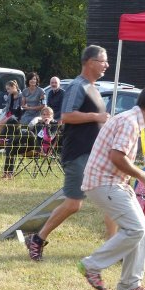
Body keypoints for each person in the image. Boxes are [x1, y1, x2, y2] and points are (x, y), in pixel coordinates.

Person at [25, 45, 115, 261]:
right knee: (74, 203)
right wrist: (97, 116)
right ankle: (38, 238)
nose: (107, 65)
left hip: (95, 154)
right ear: (90, 62)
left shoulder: (93, 87)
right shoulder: (78, 86)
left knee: (113, 197)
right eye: (103, 61)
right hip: (78, 153)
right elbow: (66, 116)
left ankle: (115, 248)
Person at [77, 84, 145, 290]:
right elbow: (117, 156)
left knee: (141, 230)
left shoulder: (129, 118)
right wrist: (141, 174)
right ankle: (92, 265)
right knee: (135, 229)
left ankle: (130, 285)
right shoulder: (130, 123)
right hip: (104, 182)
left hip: (111, 182)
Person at [2, 106, 59, 179]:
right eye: (43, 114)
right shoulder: (39, 123)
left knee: (30, 134)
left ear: (52, 115)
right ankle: (8, 173)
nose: (45, 116)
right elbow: (34, 137)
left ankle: (7, 140)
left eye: (48, 114)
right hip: (32, 146)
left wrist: (47, 125)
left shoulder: (54, 124)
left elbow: (48, 138)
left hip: (42, 149)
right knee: (10, 147)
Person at [0, 80, 23, 145]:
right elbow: (8, 107)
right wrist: (4, 114)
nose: (8, 91)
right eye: (7, 89)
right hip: (9, 113)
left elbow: (20, 108)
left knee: (1, 126)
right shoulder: (10, 95)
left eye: (9, 89)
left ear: (14, 87)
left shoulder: (21, 96)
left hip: (15, 115)